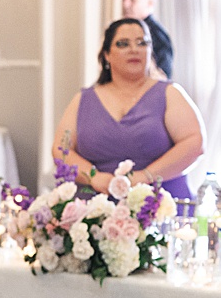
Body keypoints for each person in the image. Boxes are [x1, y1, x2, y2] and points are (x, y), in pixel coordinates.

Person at [52, 19, 204, 201]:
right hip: (94, 208)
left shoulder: (170, 93)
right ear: (107, 54)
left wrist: (145, 176)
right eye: (123, 44)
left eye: (142, 43)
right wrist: (93, 177)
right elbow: (62, 149)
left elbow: (194, 143)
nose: (134, 49)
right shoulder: (83, 100)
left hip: (159, 204)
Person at [122, 0, 174, 81]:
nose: (125, 4)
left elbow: (162, 77)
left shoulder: (157, 35)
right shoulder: (119, 30)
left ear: (150, 3)